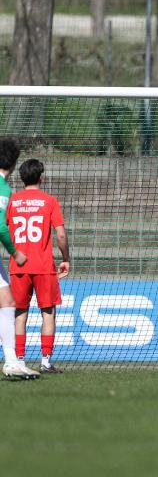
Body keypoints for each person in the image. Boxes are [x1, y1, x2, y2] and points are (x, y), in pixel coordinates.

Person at [7, 159, 70, 374]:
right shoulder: (50, 201)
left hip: (19, 265)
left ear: (21, 178)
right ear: (41, 177)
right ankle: (45, 361)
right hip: (44, 267)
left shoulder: (12, 201)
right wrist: (66, 258)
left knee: (19, 314)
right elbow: (60, 234)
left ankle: (20, 361)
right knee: (48, 313)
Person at [0, 140, 33, 380]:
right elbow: (0, 226)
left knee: (8, 303)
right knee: (8, 304)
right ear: (13, 163)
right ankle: (11, 360)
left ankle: (11, 361)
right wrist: (15, 252)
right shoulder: (2, 189)